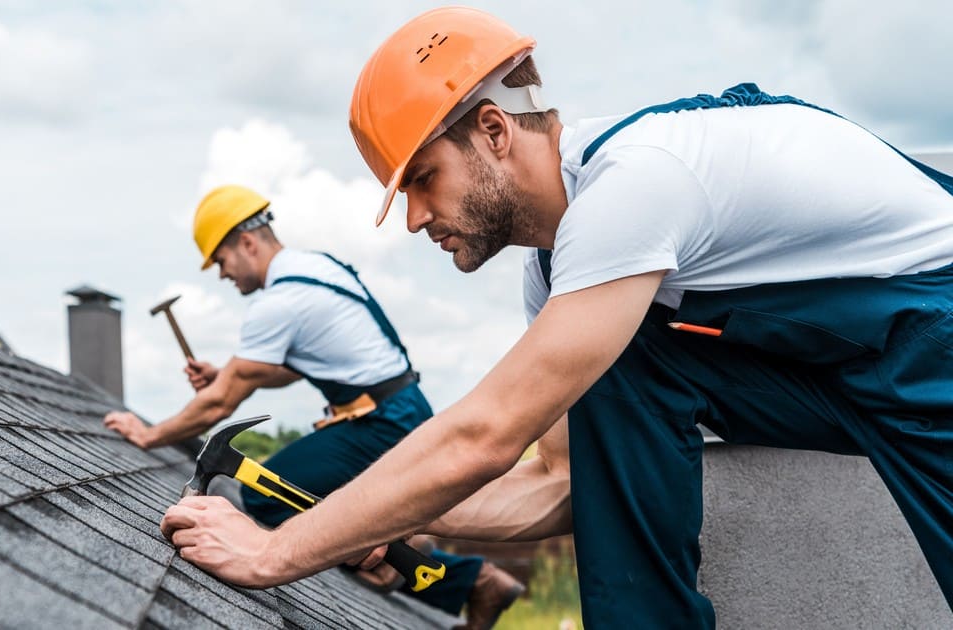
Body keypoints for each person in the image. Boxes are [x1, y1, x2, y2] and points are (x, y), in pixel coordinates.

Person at [157, 6, 953, 629]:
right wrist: (369, 525)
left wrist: (277, 551)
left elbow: (486, 434)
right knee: (624, 365)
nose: (414, 220)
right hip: (843, 367)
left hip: (933, 337)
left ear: (495, 131)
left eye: (424, 180)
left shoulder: (634, 188)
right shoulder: (564, 277)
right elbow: (567, 487)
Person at [103, 184, 523, 628]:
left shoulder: (281, 301)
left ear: (246, 243)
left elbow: (219, 406)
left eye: (222, 262)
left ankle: (412, 564)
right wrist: (223, 376)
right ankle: (423, 559)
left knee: (265, 498)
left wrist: (148, 434)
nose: (224, 275)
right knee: (325, 499)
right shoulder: (316, 269)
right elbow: (288, 368)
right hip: (396, 408)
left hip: (382, 422)